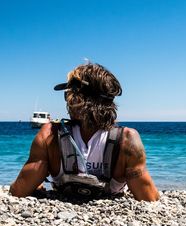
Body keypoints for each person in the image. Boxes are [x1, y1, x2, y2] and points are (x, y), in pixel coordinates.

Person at [10, 63, 159, 201]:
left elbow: (19, 191)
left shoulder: (50, 135)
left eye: (68, 95)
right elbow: (149, 198)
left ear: (76, 98)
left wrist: (35, 186)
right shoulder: (127, 140)